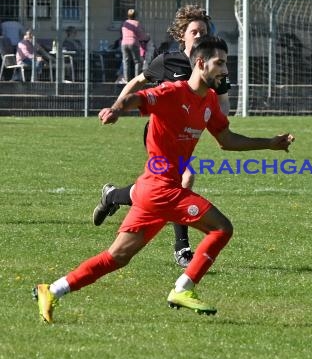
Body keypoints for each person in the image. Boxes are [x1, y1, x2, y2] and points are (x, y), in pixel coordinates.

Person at [33, 35, 295, 324]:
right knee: (221, 228)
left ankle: (52, 289)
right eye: (219, 63)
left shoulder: (208, 100)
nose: (225, 70)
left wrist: (269, 143)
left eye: (226, 63)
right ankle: (183, 289)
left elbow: (227, 139)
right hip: (161, 189)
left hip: (152, 190)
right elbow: (137, 97)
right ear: (200, 63)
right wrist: (117, 109)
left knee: (117, 256)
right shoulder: (172, 92)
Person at [92, 4, 231, 268]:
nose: (200, 36)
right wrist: (116, 107)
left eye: (204, 31)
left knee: (155, 189)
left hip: (188, 134)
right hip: (161, 132)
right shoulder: (167, 61)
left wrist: (218, 121)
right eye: (195, 32)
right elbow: (137, 83)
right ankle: (182, 247)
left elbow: (222, 99)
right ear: (183, 35)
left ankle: (111, 196)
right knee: (183, 179)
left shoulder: (213, 63)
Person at [121, 8, 146, 81]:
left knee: (126, 61)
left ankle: (126, 79)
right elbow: (141, 35)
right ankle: (136, 79)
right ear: (136, 15)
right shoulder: (136, 23)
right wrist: (146, 37)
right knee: (137, 61)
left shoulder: (125, 23)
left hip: (124, 43)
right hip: (133, 43)